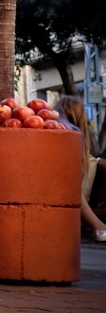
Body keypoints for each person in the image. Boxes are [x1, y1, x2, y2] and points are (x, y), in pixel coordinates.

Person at [52, 94, 106, 242]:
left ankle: (99, 227)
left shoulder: (48, 122)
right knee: (71, 187)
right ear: (77, 112)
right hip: (58, 184)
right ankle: (98, 227)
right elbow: (74, 172)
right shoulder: (73, 131)